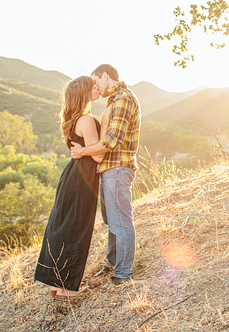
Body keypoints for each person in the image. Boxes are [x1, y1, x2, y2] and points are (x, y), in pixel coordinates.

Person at [33, 76, 103, 299]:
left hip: (73, 174)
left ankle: (58, 284)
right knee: (76, 227)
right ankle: (68, 288)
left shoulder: (72, 119)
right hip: (83, 177)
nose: (97, 88)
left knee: (64, 226)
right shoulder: (86, 119)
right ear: (83, 92)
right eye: (92, 87)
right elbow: (99, 155)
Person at [71, 64, 141, 288]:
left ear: (105, 76)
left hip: (118, 168)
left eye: (95, 81)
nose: (95, 87)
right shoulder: (112, 101)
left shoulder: (123, 98)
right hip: (109, 169)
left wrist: (82, 151)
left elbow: (112, 141)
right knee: (112, 221)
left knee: (121, 222)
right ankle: (112, 263)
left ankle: (123, 273)